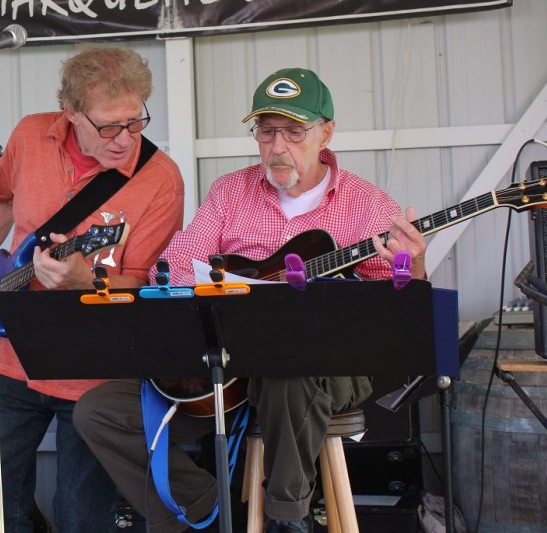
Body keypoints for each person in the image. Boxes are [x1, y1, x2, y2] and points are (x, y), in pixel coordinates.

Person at [74, 67, 428, 533]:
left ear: (325, 133)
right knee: (99, 412)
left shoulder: (368, 204)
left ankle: (288, 518)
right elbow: (174, 269)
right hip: (229, 370)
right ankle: (199, 509)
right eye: (266, 131)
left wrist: (413, 264)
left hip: (328, 370)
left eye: (294, 132)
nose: (278, 146)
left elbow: (401, 313)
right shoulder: (230, 192)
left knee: (286, 372)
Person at [0, 45, 185, 533]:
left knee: (82, 519)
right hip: (10, 358)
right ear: (71, 112)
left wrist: (86, 282)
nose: (125, 139)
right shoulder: (29, 134)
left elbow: (142, 286)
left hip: (94, 376)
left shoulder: (161, 178)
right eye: (109, 126)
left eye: (135, 121)